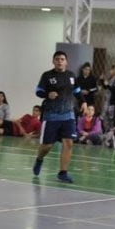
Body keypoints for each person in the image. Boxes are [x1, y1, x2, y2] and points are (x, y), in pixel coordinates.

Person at [32, 50, 82, 183]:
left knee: (69, 143)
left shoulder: (71, 75)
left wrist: (84, 102)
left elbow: (77, 91)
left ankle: (63, 172)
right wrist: (48, 94)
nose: (60, 61)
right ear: (53, 61)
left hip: (68, 115)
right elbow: (38, 91)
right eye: (57, 59)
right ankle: (39, 159)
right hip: (51, 115)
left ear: (66, 62)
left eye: (62, 59)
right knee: (47, 146)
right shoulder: (47, 76)